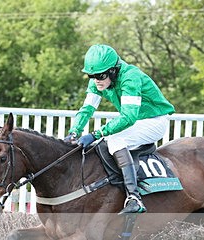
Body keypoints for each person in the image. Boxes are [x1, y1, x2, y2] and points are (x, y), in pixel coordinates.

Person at [65, 44, 176, 214]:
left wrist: (96, 134)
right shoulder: (98, 82)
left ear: (113, 71)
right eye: (91, 76)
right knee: (105, 143)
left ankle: (134, 197)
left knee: (115, 139)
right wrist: (74, 132)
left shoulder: (130, 77)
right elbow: (87, 109)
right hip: (137, 122)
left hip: (154, 121)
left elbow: (128, 117)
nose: (96, 80)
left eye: (100, 76)